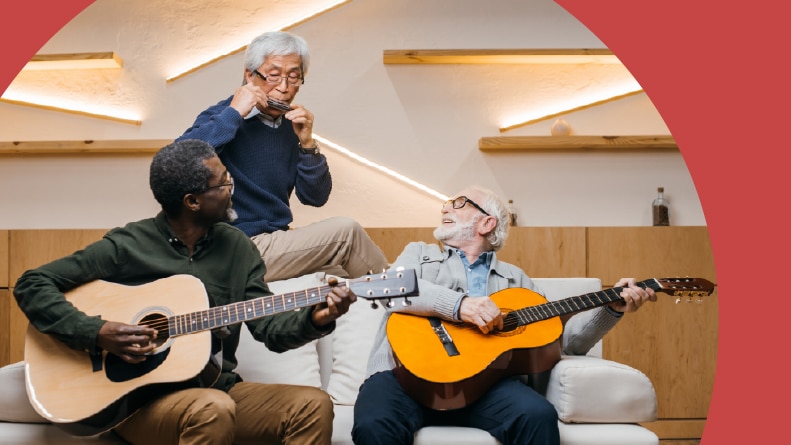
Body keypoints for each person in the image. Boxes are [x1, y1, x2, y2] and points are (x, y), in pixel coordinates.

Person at [14, 139, 357, 445]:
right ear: (192, 201)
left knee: (313, 404)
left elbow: (268, 328)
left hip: (216, 387)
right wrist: (97, 332)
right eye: (223, 183)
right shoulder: (129, 245)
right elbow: (32, 284)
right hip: (138, 404)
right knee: (213, 409)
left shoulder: (237, 248)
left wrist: (317, 317)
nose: (232, 189)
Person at [351, 185, 658, 445]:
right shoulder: (419, 253)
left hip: (485, 387)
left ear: (486, 223)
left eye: (458, 204)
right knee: (373, 422)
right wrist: (460, 306)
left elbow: (564, 341)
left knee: (537, 415)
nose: (446, 207)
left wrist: (610, 309)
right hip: (404, 378)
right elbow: (387, 288)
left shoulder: (516, 280)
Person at [177, 30, 388, 282]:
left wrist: (307, 144)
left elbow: (315, 197)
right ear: (249, 75)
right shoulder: (223, 115)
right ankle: (414, 296)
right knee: (346, 233)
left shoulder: (291, 127)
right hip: (228, 248)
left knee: (344, 278)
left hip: (273, 243)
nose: (284, 88)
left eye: (294, 77)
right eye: (274, 75)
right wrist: (235, 112)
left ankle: (406, 306)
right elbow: (180, 161)